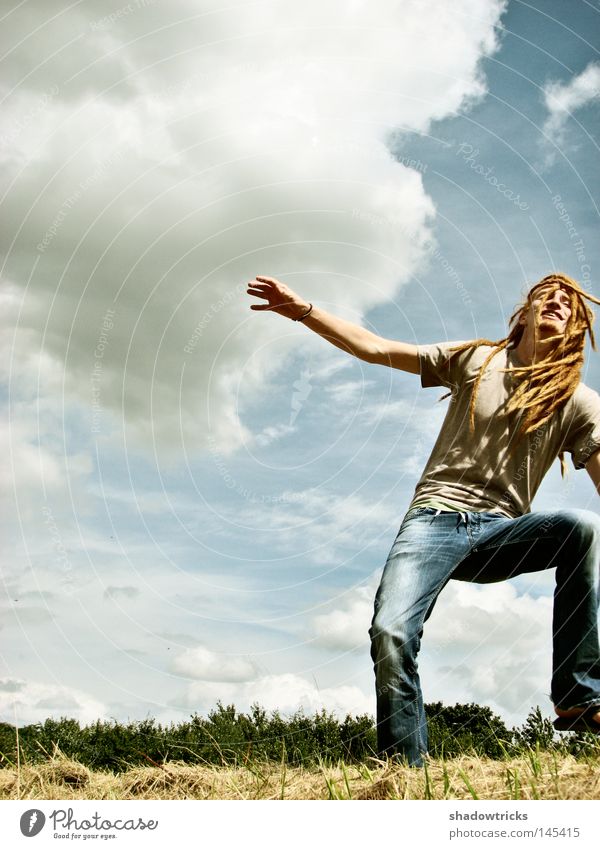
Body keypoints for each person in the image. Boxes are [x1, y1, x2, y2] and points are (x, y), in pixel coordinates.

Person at [246, 272, 600, 766]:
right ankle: (405, 772)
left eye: (568, 302)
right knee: (390, 632)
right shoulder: (477, 359)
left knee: (584, 529)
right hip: (433, 520)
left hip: (502, 531)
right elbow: (374, 347)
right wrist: (302, 310)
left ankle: (579, 693)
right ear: (525, 313)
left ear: (579, 328)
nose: (557, 302)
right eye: (547, 295)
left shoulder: (580, 403)